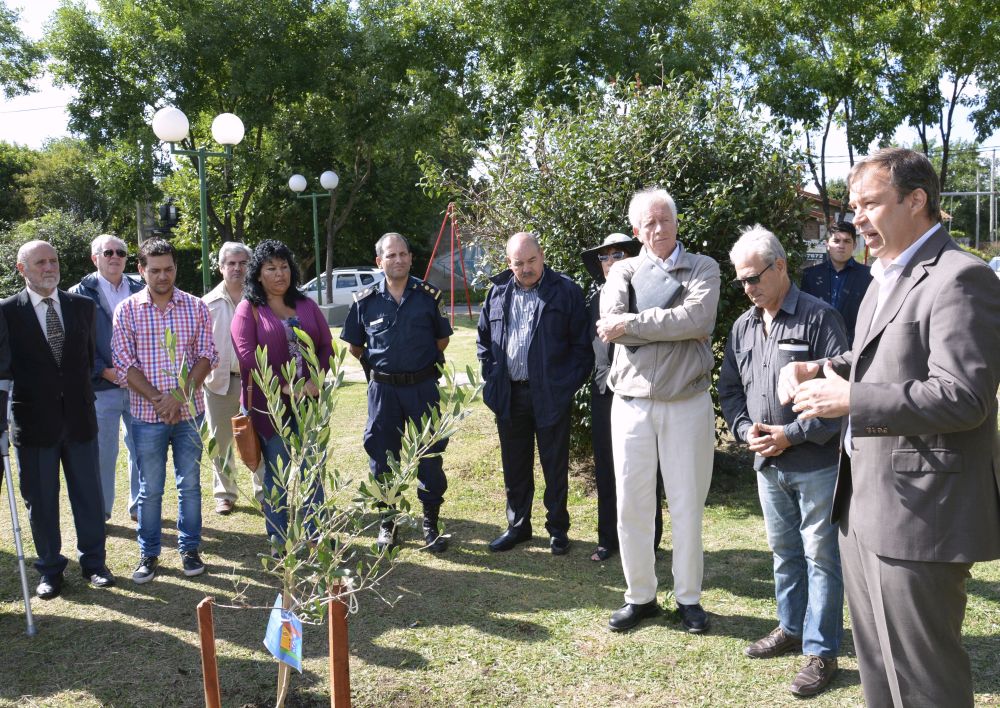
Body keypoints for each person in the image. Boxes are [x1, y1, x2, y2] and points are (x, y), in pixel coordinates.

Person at [779, 147, 1000, 707]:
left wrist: (851, 397)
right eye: (853, 207)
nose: (855, 220)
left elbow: (963, 396)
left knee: (924, 683)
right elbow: (875, 359)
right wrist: (822, 368)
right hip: (863, 506)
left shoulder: (962, 277)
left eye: (869, 204)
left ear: (917, 200)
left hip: (920, 515)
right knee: (879, 671)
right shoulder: (884, 278)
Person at [718, 225, 847, 697]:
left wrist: (790, 436)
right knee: (784, 554)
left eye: (754, 278)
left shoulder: (820, 319)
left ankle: (821, 651)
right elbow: (730, 389)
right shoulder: (744, 325)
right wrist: (742, 428)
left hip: (815, 464)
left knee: (821, 558)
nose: (749, 288)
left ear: (781, 267)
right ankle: (791, 628)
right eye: (742, 282)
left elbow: (838, 400)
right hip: (768, 466)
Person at [596, 187, 719, 633]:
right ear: (636, 230)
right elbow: (611, 327)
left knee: (687, 505)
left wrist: (633, 323)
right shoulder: (622, 270)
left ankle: (688, 598)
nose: (658, 229)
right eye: (648, 223)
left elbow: (698, 320)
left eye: (664, 219)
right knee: (631, 505)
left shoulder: (704, 267)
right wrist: (663, 324)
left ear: (676, 222)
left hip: (687, 402)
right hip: (630, 405)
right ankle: (641, 597)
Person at [1, 240, 113, 598]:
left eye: (53, 260)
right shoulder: (6, 312)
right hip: (34, 424)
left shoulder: (82, 306)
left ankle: (94, 563)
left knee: (89, 496)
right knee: (41, 500)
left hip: (80, 418)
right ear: (22, 269)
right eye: (40, 263)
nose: (49, 267)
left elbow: (86, 360)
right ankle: (50, 569)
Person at [477, 232, 593, 555]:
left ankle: (558, 529)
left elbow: (582, 349)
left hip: (550, 395)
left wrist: (562, 386)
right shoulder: (497, 293)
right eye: (519, 263)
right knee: (514, 466)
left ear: (542, 256)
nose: (526, 268)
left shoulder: (565, 291)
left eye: (531, 261)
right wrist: (492, 377)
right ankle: (518, 526)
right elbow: (484, 341)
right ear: (508, 263)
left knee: (554, 465)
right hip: (509, 395)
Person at [112, 238, 217, 584]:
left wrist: (179, 397)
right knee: (150, 488)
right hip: (145, 416)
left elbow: (206, 355)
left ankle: (190, 549)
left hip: (190, 414)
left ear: (175, 268)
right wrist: (161, 399)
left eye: (168, 268)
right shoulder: (126, 310)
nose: (162, 276)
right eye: (154, 270)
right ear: (141, 271)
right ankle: (149, 553)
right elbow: (124, 364)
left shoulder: (195, 306)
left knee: (190, 485)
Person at [341, 232, 453, 553]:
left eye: (403, 254)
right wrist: (384, 371)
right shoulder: (365, 300)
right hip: (384, 392)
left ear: (410, 258)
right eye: (391, 256)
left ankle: (430, 524)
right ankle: (388, 523)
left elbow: (441, 340)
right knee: (381, 457)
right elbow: (355, 346)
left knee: (429, 456)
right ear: (380, 262)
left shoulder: (428, 296)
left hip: (422, 388)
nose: (398, 260)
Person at [231, 240, 332, 548]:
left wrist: (316, 378)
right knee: (276, 476)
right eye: (271, 268)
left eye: (284, 266)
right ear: (258, 274)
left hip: (309, 405)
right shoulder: (249, 308)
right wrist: (282, 385)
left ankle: (316, 537)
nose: (279, 274)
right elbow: (246, 354)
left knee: (312, 472)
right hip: (270, 407)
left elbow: (326, 346)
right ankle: (280, 541)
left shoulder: (306, 304)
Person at [580, 232, 664, 563]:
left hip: (642, 394)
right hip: (604, 394)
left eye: (618, 255)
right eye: (604, 257)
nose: (610, 262)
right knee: (606, 470)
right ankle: (607, 540)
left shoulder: (647, 297)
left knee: (646, 472)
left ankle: (651, 542)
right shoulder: (595, 300)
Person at [69, 234, 145, 522]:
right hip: (101, 386)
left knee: (142, 449)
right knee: (102, 453)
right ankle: (100, 511)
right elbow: (75, 343)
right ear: (95, 258)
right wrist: (102, 369)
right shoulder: (78, 293)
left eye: (122, 253)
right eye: (108, 252)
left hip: (140, 386)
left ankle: (141, 506)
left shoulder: (141, 288)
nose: (115, 257)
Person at [202, 242, 264, 515]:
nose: (237, 268)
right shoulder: (207, 303)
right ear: (221, 267)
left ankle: (265, 491)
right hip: (219, 382)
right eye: (231, 263)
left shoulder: (262, 300)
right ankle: (225, 494)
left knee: (261, 436)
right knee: (221, 440)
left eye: (243, 263)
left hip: (257, 382)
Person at [800, 221, 872, 346]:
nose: (841, 245)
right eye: (836, 241)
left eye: (847, 241)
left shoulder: (868, 276)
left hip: (853, 347)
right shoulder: (810, 276)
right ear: (827, 244)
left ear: (854, 245)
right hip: (816, 345)